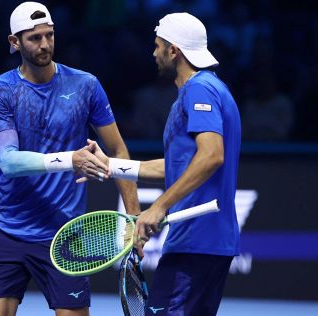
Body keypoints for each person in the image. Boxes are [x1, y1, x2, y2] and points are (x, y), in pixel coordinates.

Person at [0, 2, 140, 316]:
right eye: (34, 38)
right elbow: (9, 162)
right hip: (7, 229)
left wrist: (133, 216)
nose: (44, 45)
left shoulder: (85, 86)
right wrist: (71, 160)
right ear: (14, 42)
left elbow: (118, 151)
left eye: (49, 36)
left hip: (65, 233)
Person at [88, 12, 241, 315]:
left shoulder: (201, 89)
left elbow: (212, 155)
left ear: (174, 51)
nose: (153, 53)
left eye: (158, 46)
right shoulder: (207, 90)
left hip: (195, 242)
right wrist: (112, 165)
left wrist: (158, 207)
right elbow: (177, 166)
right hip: (206, 244)